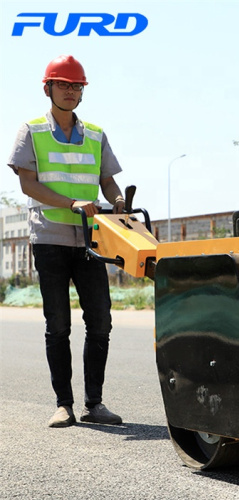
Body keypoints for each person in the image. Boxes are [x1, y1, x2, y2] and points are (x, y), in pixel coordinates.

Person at [7, 55, 125, 428]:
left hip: (90, 239)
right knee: (58, 324)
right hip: (50, 237)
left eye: (77, 86)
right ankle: (64, 405)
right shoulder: (32, 131)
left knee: (101, 322)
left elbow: (107, 180)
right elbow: (28, 184)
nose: (71, 92)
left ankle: (95, 403)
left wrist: (118, 199)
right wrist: (72, 203)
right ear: (49, 88)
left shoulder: (95, 134)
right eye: (64, 85)